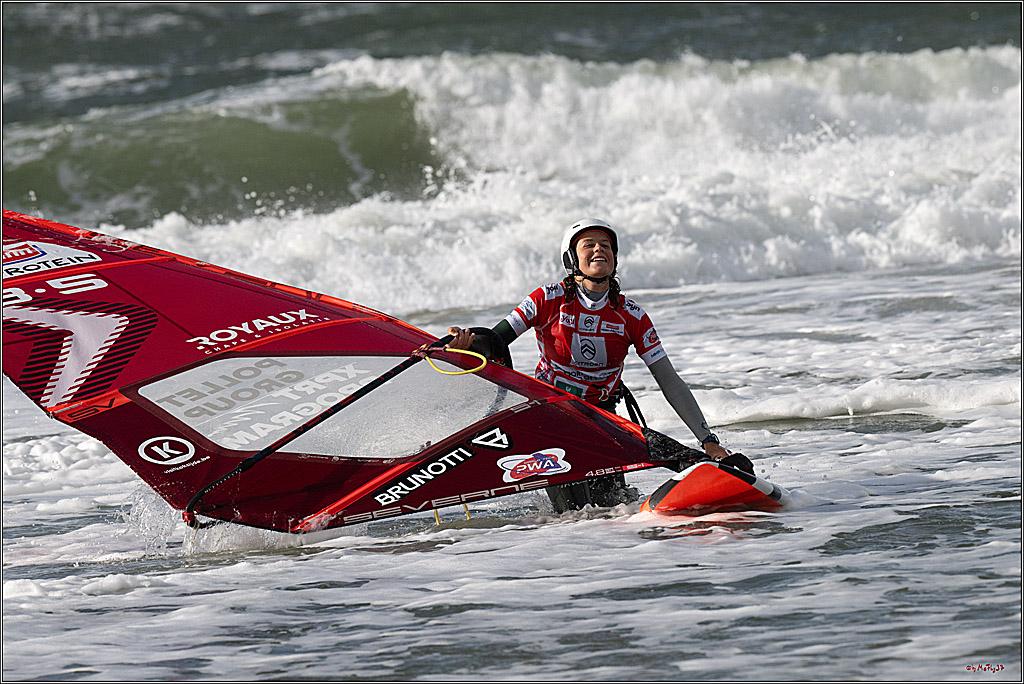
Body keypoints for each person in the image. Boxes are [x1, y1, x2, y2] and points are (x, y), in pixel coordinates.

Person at [447, 218, 731, 512]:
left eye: (606, 245)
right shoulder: (548, 299)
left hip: (603, 423)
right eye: (589, 245)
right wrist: (468, 343)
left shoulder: (631, 315)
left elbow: (669, 381)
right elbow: (495, 340)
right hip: (552, 421)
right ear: (571, 258)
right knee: (576, 517)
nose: (599, 250)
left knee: (615, 510)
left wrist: (707, 440)